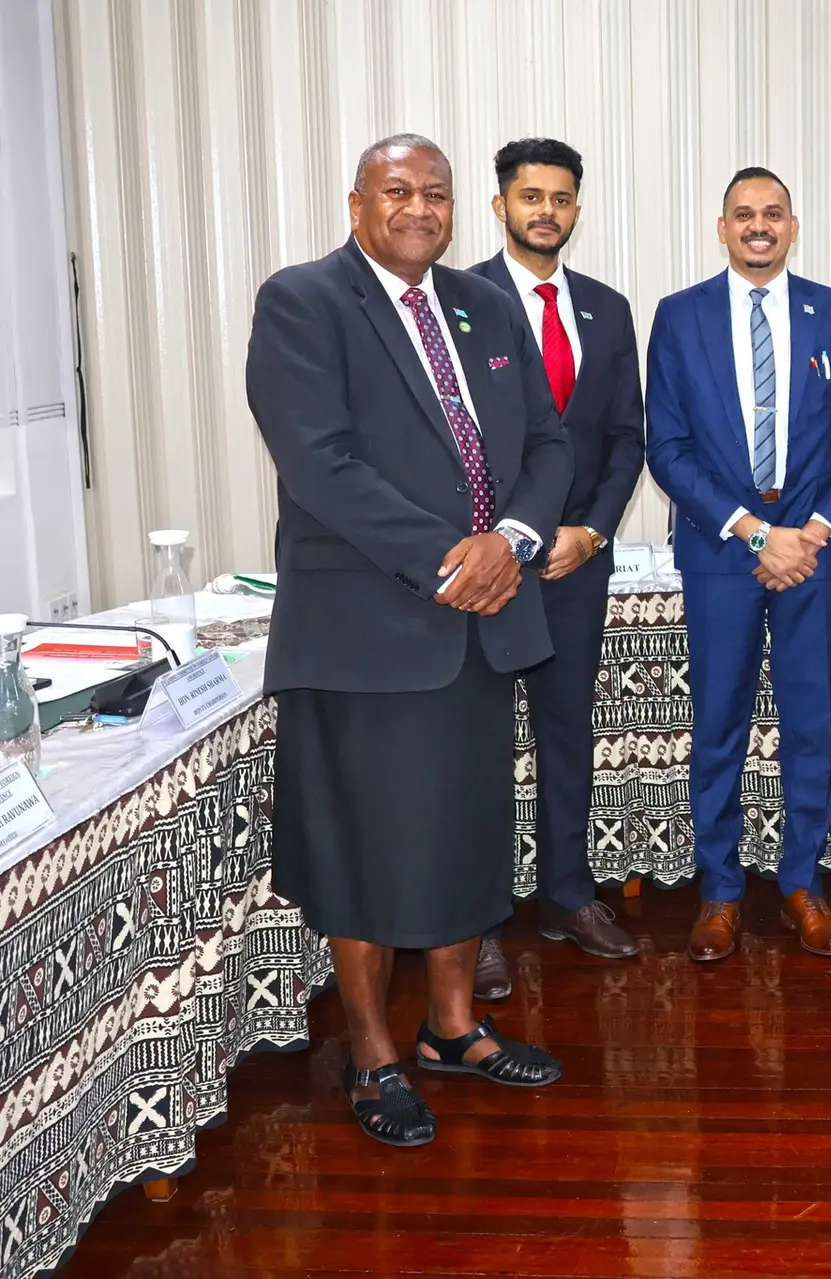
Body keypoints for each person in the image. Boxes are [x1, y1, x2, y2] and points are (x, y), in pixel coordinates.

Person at [245, 133, 573, 1147]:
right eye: (398, 191)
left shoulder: (480, 307)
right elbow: (322, 464)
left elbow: (547, 444)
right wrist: (452, 558)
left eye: (435, 193)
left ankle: (452, 1028)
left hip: (480, 628)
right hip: (367, 632)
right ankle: (373, 1053)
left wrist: (511, 540)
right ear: (357, 205)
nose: (420, 207)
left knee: (468, 837)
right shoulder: (303, 302)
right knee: (367, 851)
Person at [644, 167, 831, 963]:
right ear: (722, 227)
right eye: (743, 214)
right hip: (722, 551)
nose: (759, 226)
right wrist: (755, 533)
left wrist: (810, 533)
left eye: (772, 214)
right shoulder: (679, 318)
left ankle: (800, 883)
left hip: (813, 554)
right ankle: (719, 892)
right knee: (718, 723)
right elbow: (667, 449)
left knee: (810, 723)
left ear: (793, 224)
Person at [468, 137, 647, 997]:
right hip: (491, 567)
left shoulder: (609, 310)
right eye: (531, 196)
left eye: (562, 197)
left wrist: (593, 531)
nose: (547, 210)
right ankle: (480, 918)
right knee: (482, 748)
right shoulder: (456, 302)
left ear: (577, 208)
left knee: (566, 735)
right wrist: (511, 538)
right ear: (499, 206)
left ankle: (567, 894)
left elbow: (624, 439)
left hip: (576, 564)